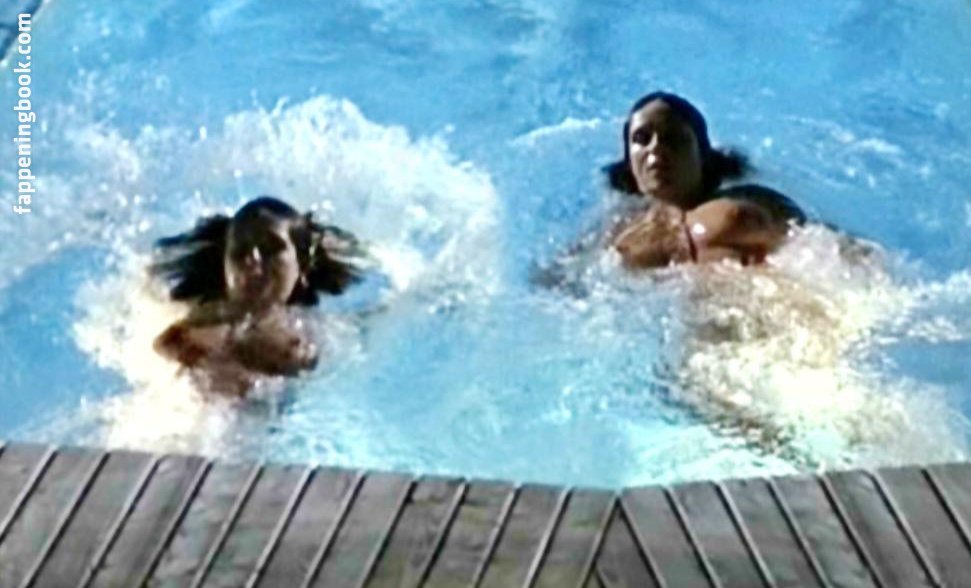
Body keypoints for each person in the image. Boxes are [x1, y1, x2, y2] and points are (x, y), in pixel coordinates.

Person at [150, 196, 363, 396]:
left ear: (302, 262)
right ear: (224, 266)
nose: (251, 260)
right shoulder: (201, 320)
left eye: (270, 248)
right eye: (240, 251)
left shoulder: (320, 331)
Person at [604, 91, 805, 268]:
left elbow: (814, 241)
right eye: (641, 138)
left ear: (702, 153)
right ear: (629, 161)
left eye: (672, 137)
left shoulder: (752, 201)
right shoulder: (617, 232)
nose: (656, 147)